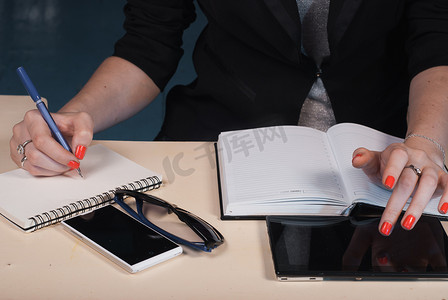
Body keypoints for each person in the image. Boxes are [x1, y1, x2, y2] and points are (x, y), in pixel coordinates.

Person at [10, 0, 448, 236]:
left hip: (383, 154)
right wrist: (74, 116)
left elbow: (437, 43)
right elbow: (149, 41)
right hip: (222, 140)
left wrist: (426, 141)